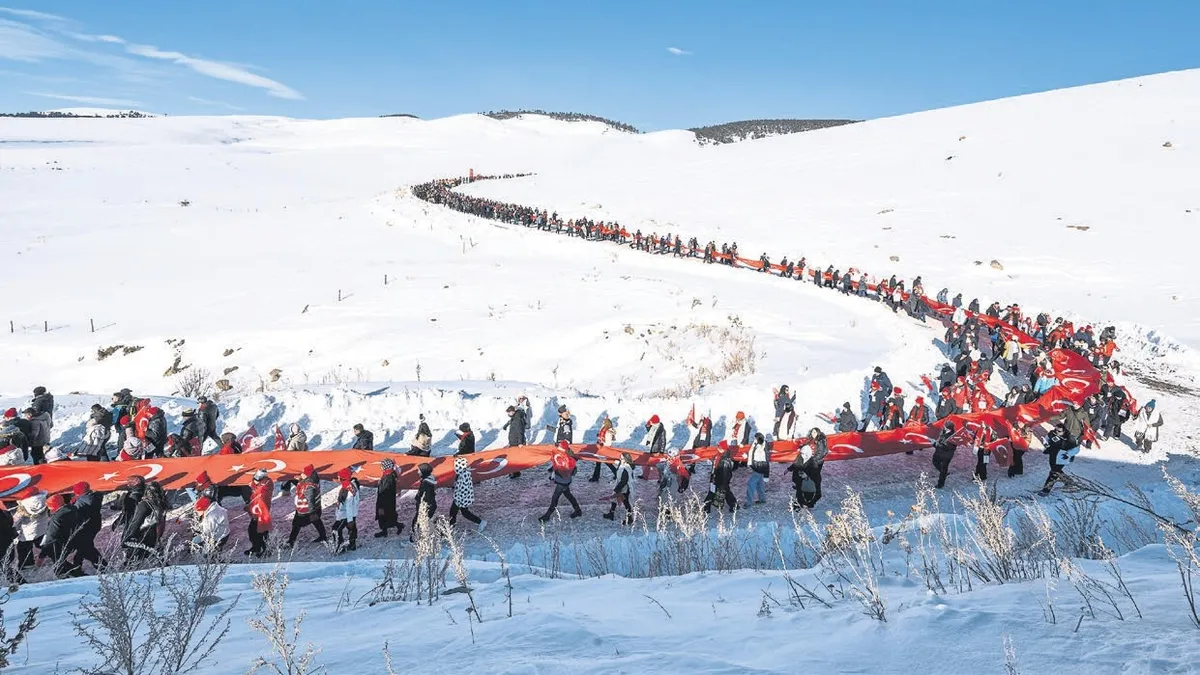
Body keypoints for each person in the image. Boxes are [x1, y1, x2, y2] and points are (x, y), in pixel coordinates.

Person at [123, 481, 168, 563]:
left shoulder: (144, 505)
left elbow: (136, 522)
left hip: (142, 536)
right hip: (155, 535)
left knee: (132, 564)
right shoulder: (161, 504)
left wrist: (128, 537)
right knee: (160, 560)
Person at [538, 441, 582, 522]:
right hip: (564, 480)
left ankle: (547, 515)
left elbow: (564, 467)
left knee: (555, 497)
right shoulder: (562, 453)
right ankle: (578, 510)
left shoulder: (564, 456)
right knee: (568, 495)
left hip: (563, 480)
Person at [39, 494, 81, 578]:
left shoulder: (56, 518)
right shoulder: (72, 509)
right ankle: (78, 573)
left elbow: (51, 537)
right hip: (71, 540)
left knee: (58, 567)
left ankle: (74, 578)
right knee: (60, 562)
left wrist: (42, 555)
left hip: (59, 543)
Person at [286, 464, 329, 546]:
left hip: (306, 510)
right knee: (316, 521)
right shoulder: (313, 479)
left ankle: (291, 541)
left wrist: (312, 513)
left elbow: (310, 500)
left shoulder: (309, 487)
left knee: (296, 524)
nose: (301, 474)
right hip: (314, 508)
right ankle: (323, 536)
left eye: (303, 473)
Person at [71, 482, 104, 571]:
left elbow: (75, 514)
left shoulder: (80, 503)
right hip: (95, 524)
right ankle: (77, 566)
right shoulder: (95, 496)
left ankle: (103, 567)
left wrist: (73, 504)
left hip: (85, 527)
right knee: (85, 546)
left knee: (86, 548)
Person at [1039, 425, 1079, 495]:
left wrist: (1068, 454)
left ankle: (1045, 490)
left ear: (1064, 431)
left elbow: (1076, 448)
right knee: (1056, 471)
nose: (1057, 432)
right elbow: (1046, 439)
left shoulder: (1070, 438)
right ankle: (1068, 481)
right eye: (1056, 430)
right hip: (1053, 455)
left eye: (1059, 431)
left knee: (1053, 473)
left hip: (1062, 458)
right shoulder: (1052, 434)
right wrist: (1046, 444)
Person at [13, 489, 47, 570]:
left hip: (27, 534)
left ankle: (27, 564)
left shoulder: (22, 509)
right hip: (42, 530)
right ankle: (54, 556)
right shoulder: (44, 502)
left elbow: (15, 522)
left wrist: (15, 533)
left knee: (23, 548)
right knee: (43, 545)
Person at [449, 456, 485, 531]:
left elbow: (462, 489)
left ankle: (450, 528)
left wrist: (458, 499)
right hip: (461, 498)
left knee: (460, 513)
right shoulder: (463, 473)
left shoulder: (463, 475)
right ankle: (451, 527)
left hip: (460, 498)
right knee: (457, 512)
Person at [703, 444, 738, 514]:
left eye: (719, 447)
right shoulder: (720, 456)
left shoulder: (724, 460)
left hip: (720, 480)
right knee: (726, 493)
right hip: (718, 479)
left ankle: (706, 508)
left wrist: (722, 483)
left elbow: (725, 473)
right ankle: (734, 505)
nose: (718, 448)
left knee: (712, 493)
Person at [246, 470, 273, 557]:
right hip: (257, 512)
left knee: (263, 532)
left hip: (262, 513)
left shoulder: (267, 485)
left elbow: (261, 493)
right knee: (252, 531)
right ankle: (256, 547)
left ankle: (266, 550)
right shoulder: (259, 485)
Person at [332, 467, 360, 553]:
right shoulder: (351, 485)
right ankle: (352, 544)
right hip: (349, 513)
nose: (338, 478)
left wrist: (350, 520)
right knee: (351, 529)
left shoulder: (347, 490)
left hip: (346, 515)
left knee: (336, 529)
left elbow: (349, 506)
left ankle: (340, 546)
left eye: (339, 477)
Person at [603, 453, 635, 525]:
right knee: (614, 500)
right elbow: (616, 471)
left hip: (624, 488)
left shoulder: (626, 468)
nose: (620, 459)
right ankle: (611, 513)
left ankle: (629, 519)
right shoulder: (622, 465)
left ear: (626, 459)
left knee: (626, 503)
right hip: (620, 486)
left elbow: (624, 481)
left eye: (622, 458)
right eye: (620, 458)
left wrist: (617, 489)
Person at [410, 463, 438, 541]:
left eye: (419, 470)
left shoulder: (426, 483)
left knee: (417, 522)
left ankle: (416, 536)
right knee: (426, 521)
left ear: (423, 471)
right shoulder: (428, 480)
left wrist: (422, 506)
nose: (417, 472)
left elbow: (427, 496)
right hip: (429, 505)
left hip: (426, 506)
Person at [374, 458, 400, 537]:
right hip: (390, 500)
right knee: (390, 513)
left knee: (383, 515)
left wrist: (380, 505)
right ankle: (393, 524)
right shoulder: (391, 474)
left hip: (384, 501)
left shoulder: (387, 477)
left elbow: (384, 491)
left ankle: (384, 530)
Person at [931, 422, 959, 489]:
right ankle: (943, 473)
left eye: (945, 426)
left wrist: (935, 444)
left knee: (944, 468)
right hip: (938, 452)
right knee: (934, 461)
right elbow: (940, 440)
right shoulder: (943, 432)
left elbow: (946, 447)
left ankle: (940, 484)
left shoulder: (952, 437)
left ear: (948, 428)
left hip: (946, 455)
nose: (943, 427)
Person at [590, 416, 617, 482]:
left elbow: (608, 443)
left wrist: (602, 443)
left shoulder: (608, 432)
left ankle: (595, 477)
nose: (602, 422)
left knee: (607, 463)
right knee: (600, 463)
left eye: (604, 422)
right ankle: (595, 477)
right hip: (601, 448)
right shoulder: (604, 429)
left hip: (604, 449)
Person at [746, 432, 770, 505]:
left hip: (758, 468)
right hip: (756, 467)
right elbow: (752, 454)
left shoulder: (762, 447)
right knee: (759, 484)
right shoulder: (756, 444)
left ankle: (749, 502)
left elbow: (766, 460)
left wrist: (767, 474)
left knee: (751, 484)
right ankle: (762, 499)